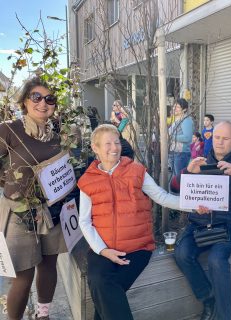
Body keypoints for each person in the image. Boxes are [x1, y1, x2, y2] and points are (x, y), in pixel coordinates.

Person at [77, 124, 182, 320]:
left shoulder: (136, 170)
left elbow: (162, 197)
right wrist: (102, 250)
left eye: (116, 142)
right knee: (98, 279)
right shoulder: (87, 181)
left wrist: (194, 204)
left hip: (136, 247)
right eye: (107, 144)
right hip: (103, 248)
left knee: (105, 288)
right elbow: (84, 221)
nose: (114, 148)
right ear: (95, 148)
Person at [170, 121, 231, 320]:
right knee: (181, 254)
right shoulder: (199, 162)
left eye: (226, 138)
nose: (220, 142)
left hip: (228, 225)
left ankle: (223, 316)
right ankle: (208, 297)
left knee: (216, 260)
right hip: (198, 223)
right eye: (217, 137)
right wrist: (187, 172)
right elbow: (175, 187)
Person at [0, 77, 67, 320]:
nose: (43, 104)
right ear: (25, 100)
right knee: (22, 275)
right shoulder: (9, 129)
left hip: (51, 210)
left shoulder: (57, 133)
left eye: (49, 99)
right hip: (19, 213)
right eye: (36, 97)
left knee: (49, 265)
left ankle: (43, 315)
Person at [168, 98, 194, 175]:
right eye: (174, 106)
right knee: (175, 179)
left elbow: (187, 137)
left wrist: (170, 137)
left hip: (181, 154)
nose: (174, 108)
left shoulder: (186, 120)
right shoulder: (178, 119)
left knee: (179, 179)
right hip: (175, 152)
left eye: (177, 107)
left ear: (184, 109)